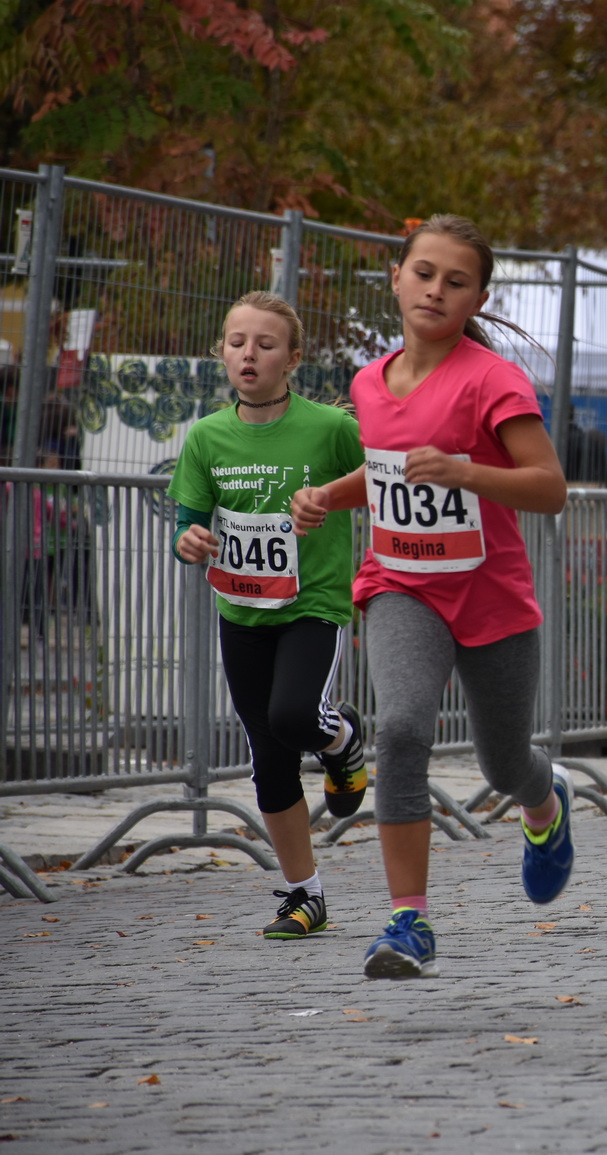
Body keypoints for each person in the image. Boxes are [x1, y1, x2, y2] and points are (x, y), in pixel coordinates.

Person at [291, 215, 574, 978]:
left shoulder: (493, 380)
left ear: (478, 298)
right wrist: (328, 495)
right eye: (423, 273)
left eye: (456, 282)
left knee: (503, 762)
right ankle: (407, 921)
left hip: (490, 597)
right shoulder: (369, 382)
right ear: (397, 278)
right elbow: (388, 470)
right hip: (400, 584)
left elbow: (550, 488)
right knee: (402, 730)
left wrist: (467, 471)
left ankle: (544, 801)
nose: (435, 291)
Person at [169, 291, 367, 940]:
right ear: (222, 353)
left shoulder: (330, 428)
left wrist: (329, 496)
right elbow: (187, 522)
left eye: (266, 344)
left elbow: (382, 479)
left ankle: (340, 737)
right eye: (237, 342)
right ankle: (306, 896)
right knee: (270, 759)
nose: (248, 353)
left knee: (293, 717)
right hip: (242, 611)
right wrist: (189, 540)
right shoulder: (206, 436)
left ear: (293, 358)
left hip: (312, 604)